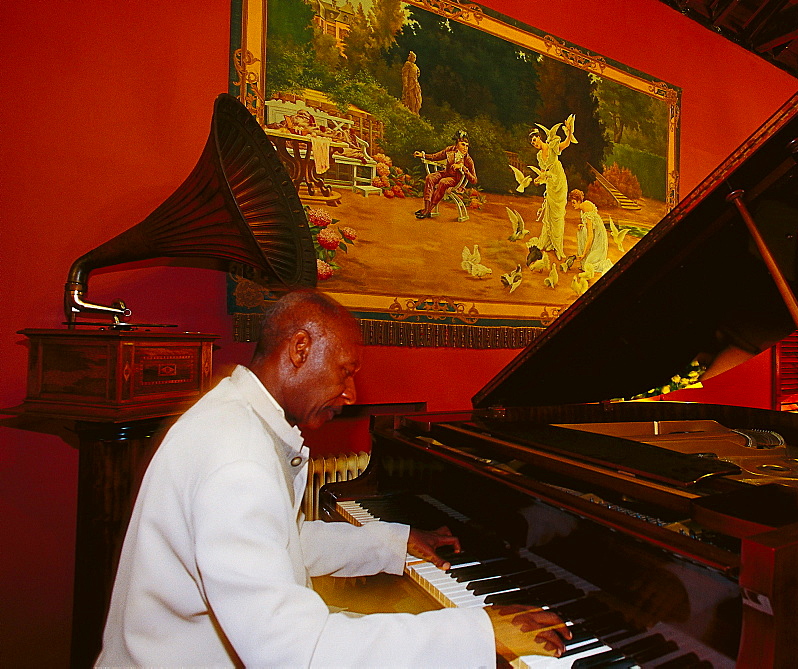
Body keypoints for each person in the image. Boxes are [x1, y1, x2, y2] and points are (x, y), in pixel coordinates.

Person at [97, 290, 568, 667]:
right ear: (300, 349)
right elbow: (296, 652)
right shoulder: (236, 459)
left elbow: (280, 542)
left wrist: (392, 542)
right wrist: (480, 635)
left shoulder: (234, 418)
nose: (351, 393)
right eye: (345, 371)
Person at [530, 116, 575, 261]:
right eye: (532, 142)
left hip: (559, 183)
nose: (534, 143)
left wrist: (569, 132)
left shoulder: (552, 146)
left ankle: (558, 247)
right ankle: (549, 242)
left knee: (558, 216)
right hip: (550, 184)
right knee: (549, 215)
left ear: (540, 137)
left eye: (535, 139)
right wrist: (538, 179)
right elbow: (544, 172)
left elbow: (566, 144)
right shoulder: (538, 156)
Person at [413, 131, 477, 220]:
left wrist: (463, 168)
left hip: (456, 180)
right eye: (463, 144)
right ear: (457, 144)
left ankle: (427, 211)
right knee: (430, 177)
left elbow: (474, 180)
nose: (465, 148)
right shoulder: (450, 150)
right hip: (446, 173)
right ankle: (426, 208)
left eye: (467, 146)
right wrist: (423, 155)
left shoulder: (468, 160)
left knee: (443, 182)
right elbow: (436, 156)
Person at [569, 188, 612, 275]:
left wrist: (584, 254)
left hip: (598, 236)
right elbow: (590, 224)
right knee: (580, 231)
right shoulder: (583, 206)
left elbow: (590, 236)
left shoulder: (586, 208)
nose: (572, 205)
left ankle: (588, 258)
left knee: (588, 266)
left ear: (579, 201)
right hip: (595, 232)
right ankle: (585, 258)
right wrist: (583, 225)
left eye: (574, 202)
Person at [401, 50, 422, 115]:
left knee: (417, 97)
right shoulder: (407, 64)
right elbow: (405, 75)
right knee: (410, 96)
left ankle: (415, 111)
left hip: (415, 83)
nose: (414, 59)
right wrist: (406, 84)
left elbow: (418, 74)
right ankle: (410, 110)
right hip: (410, 84)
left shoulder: (415, 66)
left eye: (414, 58)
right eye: (413, 57)